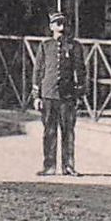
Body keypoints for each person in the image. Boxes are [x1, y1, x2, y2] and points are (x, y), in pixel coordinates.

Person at [35, 11, 85, 176]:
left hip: (67, 95)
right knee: (49, 131)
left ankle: (68, 166)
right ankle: (49, 166)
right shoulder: (45, 46)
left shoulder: (74, 46)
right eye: (58, 24)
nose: (61, 27)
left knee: (68, 132)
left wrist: (79, 94)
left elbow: (80, 71)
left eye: (64, 23)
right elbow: (38, 71)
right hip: (48, 94)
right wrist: (37, 96)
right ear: (51, 27)